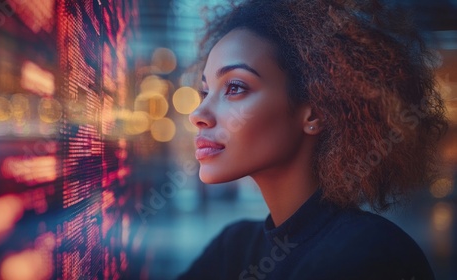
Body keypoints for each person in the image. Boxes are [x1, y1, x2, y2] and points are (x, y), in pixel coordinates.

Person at [178, 0, 448, 279]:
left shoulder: (370, 255)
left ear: (315, 112)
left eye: (234, 87)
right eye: (205, 91)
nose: (198, 114)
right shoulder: (233, 248)